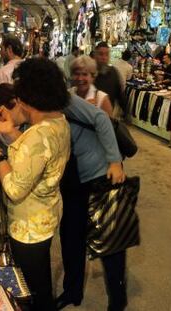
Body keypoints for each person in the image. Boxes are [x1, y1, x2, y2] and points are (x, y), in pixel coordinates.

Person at [0, 58, 71, 311]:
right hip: (45, 214)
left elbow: (15, 189)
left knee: (32, 288)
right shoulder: (58, 122)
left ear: (29, 98)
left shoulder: (37, 135)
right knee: (41, 281)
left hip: (29, 225)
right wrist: (13, 134)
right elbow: (34, 160)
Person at [55, 93, 127, 311]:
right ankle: (72, 291)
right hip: (72, 177)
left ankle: (117, 299)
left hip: (99, 174)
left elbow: (101, 118)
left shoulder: (62, 98)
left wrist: (115, 161)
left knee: (109, 242)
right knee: (70, 237)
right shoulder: (36, 105)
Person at [94, 42, 125, 118]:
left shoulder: (114, 72)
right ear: (95, 55)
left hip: (107, 116)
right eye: (101, 54)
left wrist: (124, 111)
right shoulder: (89, 73)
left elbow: (119, 95)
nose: (104, 57)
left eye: (106, 54)